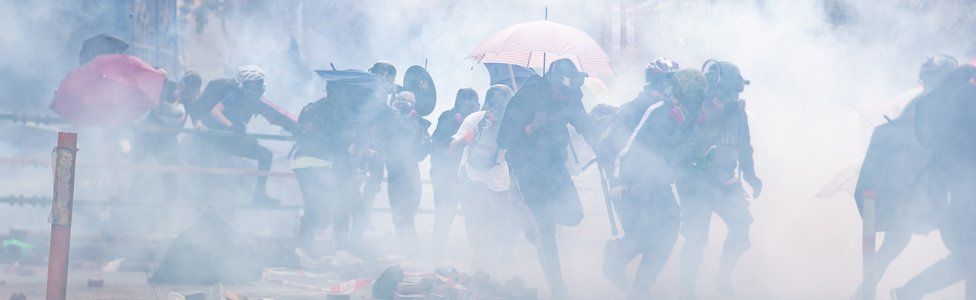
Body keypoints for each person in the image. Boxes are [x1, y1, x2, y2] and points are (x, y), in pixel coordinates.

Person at [852, 54, 957, 298]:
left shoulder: (935, 105)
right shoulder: (920, 105)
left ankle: (873, 288)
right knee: (901, 242)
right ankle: (877, 289)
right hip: (913, 186)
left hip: (923, 186)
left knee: (898, 242)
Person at [497, 58, 600, 298]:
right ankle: (557, 286)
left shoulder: (571, 95)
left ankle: (530, 220)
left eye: (569, 91)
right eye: (562, 91)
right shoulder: (526, 97)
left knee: (574, 214)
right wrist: (531, 127)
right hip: (525, 166)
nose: (566, 96)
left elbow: (585, 125)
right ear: (553, 83)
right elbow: (503, 139)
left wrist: (603, 150)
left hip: (554, 165)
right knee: (545, 228)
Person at [599, 58, 689, 298]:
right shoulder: (651, 106)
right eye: (670, 80)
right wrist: (617, 181)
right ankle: (616, 255)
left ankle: (642, 286)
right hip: (630, 184)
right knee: (646, 233)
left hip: (653, 181)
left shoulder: (665, 106)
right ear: (659, 81)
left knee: (668, 228)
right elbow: (622, 145)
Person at [677, 60, 762, 298]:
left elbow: (745, 146)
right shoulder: (696, 106)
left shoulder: (737, 111)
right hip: (696, 181)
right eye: (730, 90)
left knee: (742, 227)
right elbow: (687, 137)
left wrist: (751, 176)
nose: (734, 95)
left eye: (736, 91)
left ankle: (722, 277)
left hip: (724, 180)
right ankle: (687, 291)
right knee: (695, 241)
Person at [893, 61, 976, 299]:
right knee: (970, 259)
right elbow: (960, 153)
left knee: (969, 260)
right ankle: (907, 292)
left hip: (957, 194)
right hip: (957, 196)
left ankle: (906, 293)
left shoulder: (963, 97)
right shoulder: (965, 101)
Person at [200, 65, 300, 204]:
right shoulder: (236, 94)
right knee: (220, 177)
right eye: (258, 83)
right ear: (249, 83)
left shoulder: (255, 100)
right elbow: (215, 111)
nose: (261, 86)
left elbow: (276, 117)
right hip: (220, 140)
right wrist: (232, 126)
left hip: (233, 139)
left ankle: (259, 195)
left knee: (266, 155)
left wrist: (297, 130)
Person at [449, 84, 518, 272]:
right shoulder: (475, 119)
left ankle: (492, 262)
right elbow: (453, 147)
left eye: (507, 105)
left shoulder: (512, 123)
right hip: (472, 176)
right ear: (488, 104)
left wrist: (534, 124)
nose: (502, 109)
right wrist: (473, 135)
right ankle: (478, 263)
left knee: (501, 222)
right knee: (476, 220)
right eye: (498, 105)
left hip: (498, 179)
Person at [430, 88, 481, 252]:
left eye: (474, 103)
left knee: (474, 217)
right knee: (444, 215)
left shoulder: (479, 122)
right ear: (459, 104)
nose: (471, 106)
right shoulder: (448, 118)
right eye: (467, 102)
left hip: (470, 176)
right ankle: (437, 253)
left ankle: (478, 255)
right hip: (447, 176)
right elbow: (437, 146)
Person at [382, 91, 431, 248]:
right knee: (398, 214)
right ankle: (407, 247)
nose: (402, 103)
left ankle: (411, 247)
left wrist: (414, 120)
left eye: (407, 101)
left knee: (409, 211)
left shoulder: (417, 122)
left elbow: (423, 148)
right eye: (400, 100)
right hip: (394, 172)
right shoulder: (389, 119)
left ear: (413, 104)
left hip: (410, 172)